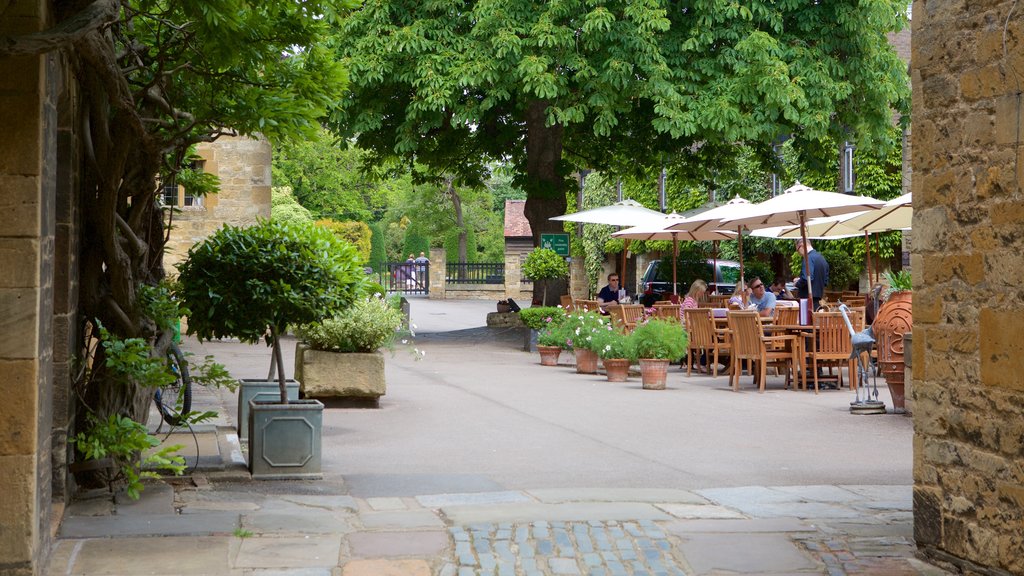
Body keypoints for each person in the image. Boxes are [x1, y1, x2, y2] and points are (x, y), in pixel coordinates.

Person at [793, 238, 829, 311]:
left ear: (802, 245)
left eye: (797, 250)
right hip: (818, 299)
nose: (798, 253)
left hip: (807, 300)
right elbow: (825, 281)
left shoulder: (808, 258)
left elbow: (807, 278)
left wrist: (797, 283)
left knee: (806, 322)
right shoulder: (822, 258)